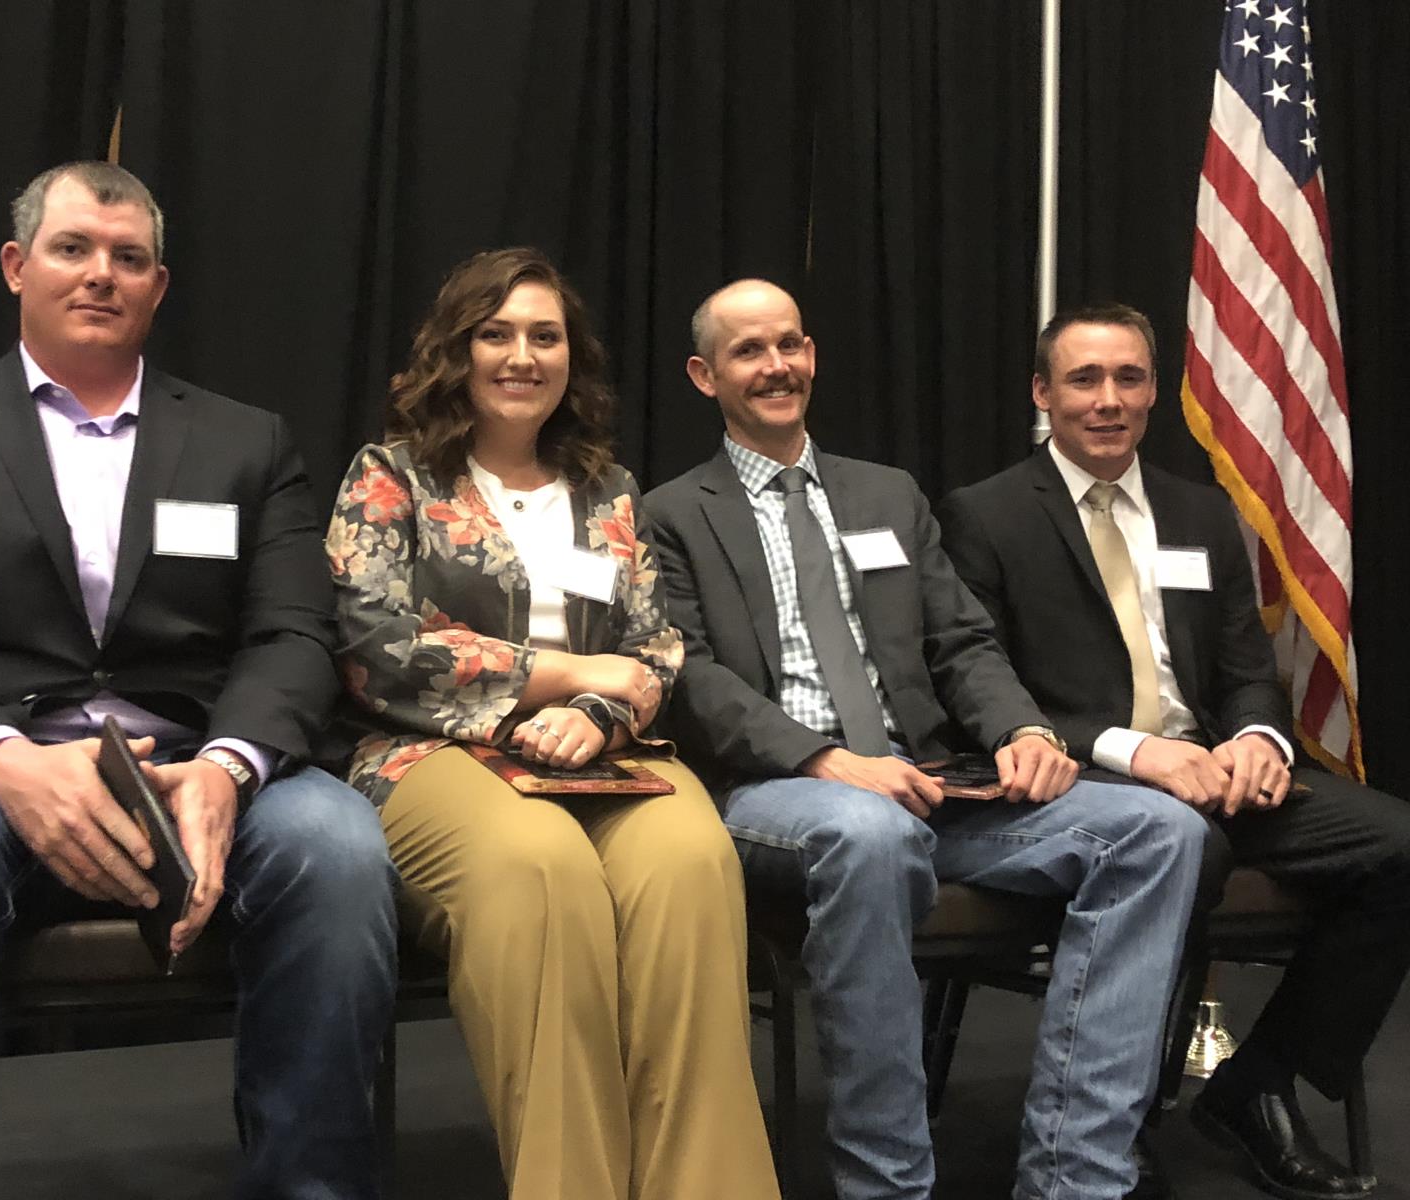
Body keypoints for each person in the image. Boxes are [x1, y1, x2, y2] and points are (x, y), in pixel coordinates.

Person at [0, 161, 397, 1200]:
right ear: (15, 266)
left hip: (190, 758)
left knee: (337, 845)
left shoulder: (243, 441)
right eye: (72, 249)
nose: (100, 275)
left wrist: (229, 766)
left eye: (129, 258)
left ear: (158, 285)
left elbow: (294, 634)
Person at [645, 278, 1210, 1200]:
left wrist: (1020, 727)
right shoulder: (672, 511)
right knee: (870, 834)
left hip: (930, 778)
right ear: (706, 376)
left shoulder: (886, 494)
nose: (776, 366)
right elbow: (690, 678)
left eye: (789, 344)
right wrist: (826, 761)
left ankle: (1076, 1176)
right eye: (749, 352)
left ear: (813, 356)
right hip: (778, 788)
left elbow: (961, 642)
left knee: (1159, 834)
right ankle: (888, 1184)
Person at [325, 247, 779, 1200]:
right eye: (496, 334)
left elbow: (658, 647)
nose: (522, 355)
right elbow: (372, 642)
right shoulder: (392, 475)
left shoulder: (608, 488)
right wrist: (557, 675)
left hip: (603, 750)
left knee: (694, 862)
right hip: (432, 751)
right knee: (544, 868)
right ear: (458, 348)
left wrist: (597, 714)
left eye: (545, 335)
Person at [938, 302, 1410, 1200]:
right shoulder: (985, 516)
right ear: (1043, 394)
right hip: (1095, 789)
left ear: (1155, 390)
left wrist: (1260, 741)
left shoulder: (1202, 512)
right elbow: (981, 687)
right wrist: (1131, 753)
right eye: (1084, 379)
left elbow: (1245, 666)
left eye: (1129, 378)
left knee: (1399, 849)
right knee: (1181, 848)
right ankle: (1121, 1114)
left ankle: (1258, 1082)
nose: (1108, 399)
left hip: (1220, 775)